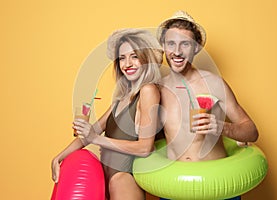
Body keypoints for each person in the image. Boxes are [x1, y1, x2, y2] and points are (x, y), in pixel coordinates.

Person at [51, 28, 163, 200]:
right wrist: (58, 157)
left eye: (134, 56)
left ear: (145, 60)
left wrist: (97, 139)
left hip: (124, 180)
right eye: (122, 58)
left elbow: (145, 148)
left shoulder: (148, 91)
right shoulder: (120, 100)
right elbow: (89, 134)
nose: (127, 64)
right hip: (103, 180)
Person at [157, 10, 259, 200]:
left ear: (196, 48)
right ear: (163, 46)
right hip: (174, 187)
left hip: (216, 187)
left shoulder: (214, 83)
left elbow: (252, 132)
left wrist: (223, 128)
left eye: (185, 44)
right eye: (171, 43)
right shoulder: (157, 89)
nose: (177, 52)